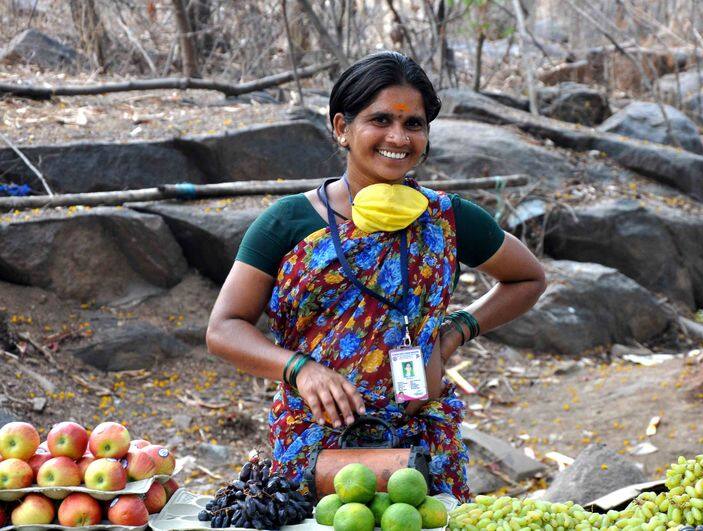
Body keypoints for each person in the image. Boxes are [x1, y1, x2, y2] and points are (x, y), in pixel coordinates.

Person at [206, 51, 546, 502]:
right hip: (316, 443)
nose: (398, 137)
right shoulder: (288, 222)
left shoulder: (447, 218)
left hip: (421, 447)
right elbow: (224, 328)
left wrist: (450, 335)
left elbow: (528, 279)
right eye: (380, 120)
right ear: (341, 128)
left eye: (414, 124)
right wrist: (300, 370)